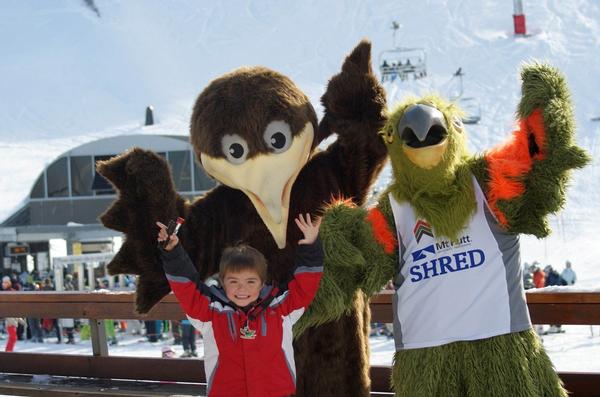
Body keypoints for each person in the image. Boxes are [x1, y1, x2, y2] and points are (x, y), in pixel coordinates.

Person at [157, 213, 323, 397]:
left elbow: (305, 286)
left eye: (251, 281)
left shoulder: (281, 307)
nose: (242, 288)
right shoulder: (209, 312)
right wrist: (173, 252)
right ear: (223, 282)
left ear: (262, 283)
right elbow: (187, 287)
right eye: (233, 281)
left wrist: (311, 246)